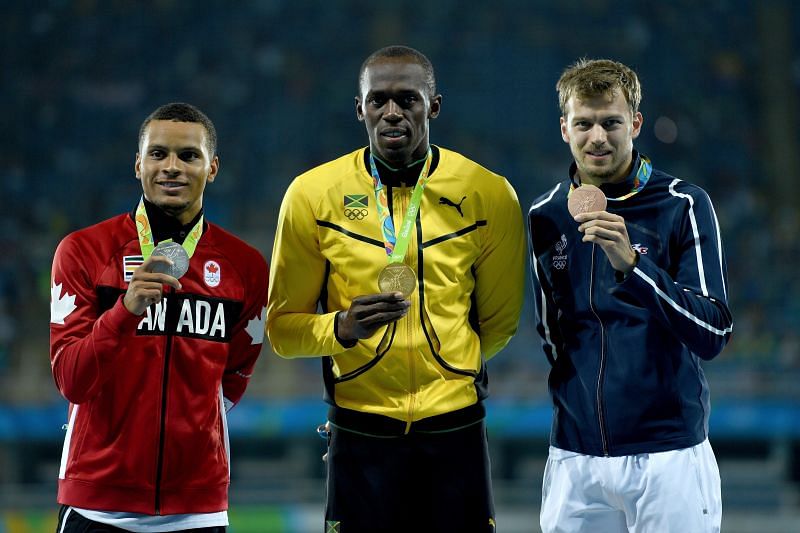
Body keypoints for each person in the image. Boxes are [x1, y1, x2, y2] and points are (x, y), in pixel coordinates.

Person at [267, 45, 525, 532]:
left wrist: (446, 367)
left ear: (434, 106)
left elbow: (499, 323)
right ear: (358, 108)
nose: (392, 112)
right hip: (359, 434)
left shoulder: (490, 193)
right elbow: (282, 330)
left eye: (407, 99)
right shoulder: (311, 194)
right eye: (378, 100)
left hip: (457, 432)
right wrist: (340, 329)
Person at [528, 58, 734, 533]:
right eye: (584, 123)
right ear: (564, 128)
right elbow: (551, 332)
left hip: (669, 456)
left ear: (635, 124)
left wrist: (636, 268)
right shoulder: (546, 214)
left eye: (611, 122)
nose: (597, 137)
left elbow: (715, 330)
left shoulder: (682, 204)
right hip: (575, 457)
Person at [49, 102, 269, 532]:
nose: (172, 167)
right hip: (97, 505)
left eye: (189, 156)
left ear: (213, 168)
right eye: (158, 154)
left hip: (197, 510)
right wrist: (125, 311)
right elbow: (72, 380)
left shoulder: (246, 267)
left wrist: (191, 434)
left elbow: (233, 377)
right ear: (138, 165)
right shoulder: (83, 252)